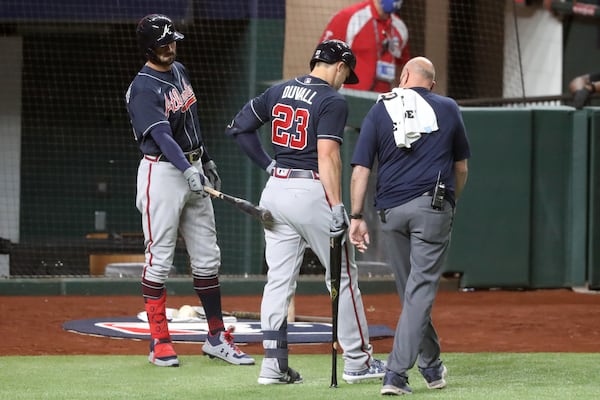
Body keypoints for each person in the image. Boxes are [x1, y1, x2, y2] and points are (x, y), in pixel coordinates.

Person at [224, 39, 385, 385]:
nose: (345, 80)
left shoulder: (279, 90)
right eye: (347, 73)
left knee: (278, 280)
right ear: (340, 66)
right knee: (342, 278)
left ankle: (273, 367)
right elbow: (328, 156)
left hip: (276, 190)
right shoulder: (331, 99)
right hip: (311, 191)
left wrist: (268, 165)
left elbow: (239, 127)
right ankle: (358, 361)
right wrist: (338, 205)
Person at [125, 14, 255, 368]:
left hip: (192, 166)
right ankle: (159, 341)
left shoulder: (179, 70)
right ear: (149, 47)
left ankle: (216, 337)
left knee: (208, 256)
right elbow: (162, 135)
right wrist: (186, 168)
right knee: (160, 257)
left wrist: (205, 160)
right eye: (164, 43)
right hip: (162, 174)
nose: (171, 46)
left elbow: (190, 121)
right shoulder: (143, 88)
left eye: (173, 40)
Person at [348, 56, 470, 395]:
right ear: (431, 83)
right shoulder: (447, 108)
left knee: (411, 291)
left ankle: (431, 366)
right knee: (418, 292)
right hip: (431, 208)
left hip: (390, 212)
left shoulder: (379, 109)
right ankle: (396, 374)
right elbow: (460, 169)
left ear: (403, 76)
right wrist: (451, 204)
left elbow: (360, 170)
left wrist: (356, 217)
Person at [319, 0, 410, 93]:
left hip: (382, 100)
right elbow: (323, 60)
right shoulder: (349, 17)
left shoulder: (400, 28)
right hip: (349, 96)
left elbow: (402, 66)